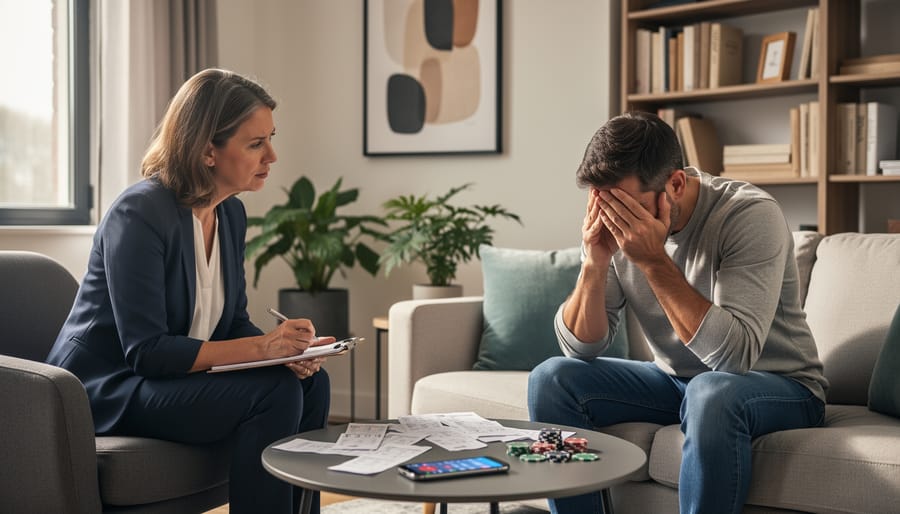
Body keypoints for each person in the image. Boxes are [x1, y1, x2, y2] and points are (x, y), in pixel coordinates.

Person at [46, 68, 331, 514]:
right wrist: (261, 349)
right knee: (274, 392)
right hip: (113, 387)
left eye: (270, 138)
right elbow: (147, 352)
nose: (272, 155)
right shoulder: (138, 213)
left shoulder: (230, 214)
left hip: (167, 379)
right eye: (255, 143)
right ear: (207, 152)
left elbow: (231, 321)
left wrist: (286, 353)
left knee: (311, 382)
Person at [527, 111, 829, 514]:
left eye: (629, 208)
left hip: (780, 385)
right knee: (551, 379)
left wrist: (653, 262)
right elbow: (581, 349)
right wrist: (595, 263)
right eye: (607, 206)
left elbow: (733, 359)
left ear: (675, 183)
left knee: (711, 390)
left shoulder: (749, 215)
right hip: (678, 383)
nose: (618, 222)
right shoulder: (613, 225)